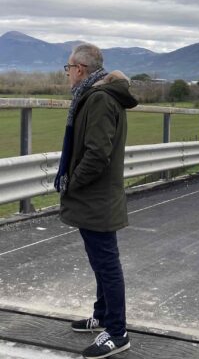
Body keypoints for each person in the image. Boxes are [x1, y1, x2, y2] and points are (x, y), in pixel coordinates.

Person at [54, 43, 137, 359]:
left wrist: (71, 185)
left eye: (68, 68)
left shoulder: (99, 99)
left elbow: (97, 154)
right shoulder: (96, 96)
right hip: (97, 197)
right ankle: (102, 316)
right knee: (101, 262)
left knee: (106, 263)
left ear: (80, 69)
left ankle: (117, 332)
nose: (67, 74)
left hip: (95, 197)